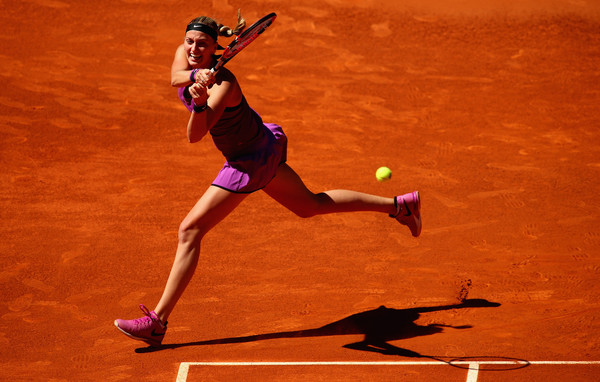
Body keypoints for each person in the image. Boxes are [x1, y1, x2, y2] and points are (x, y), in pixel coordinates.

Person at [114, 11, 422, 347]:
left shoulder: (225, 84)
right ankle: (399, 206)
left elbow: (195, 135)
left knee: (190, 230)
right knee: (311, 205)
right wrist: (194, 78)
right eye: (189, 41)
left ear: (216, 47)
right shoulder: (186, 55)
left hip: (250, 161)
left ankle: (157, 322)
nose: (192, 48)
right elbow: (176, 76)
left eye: (202, 45)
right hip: (262, 146)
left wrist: (201, 103)